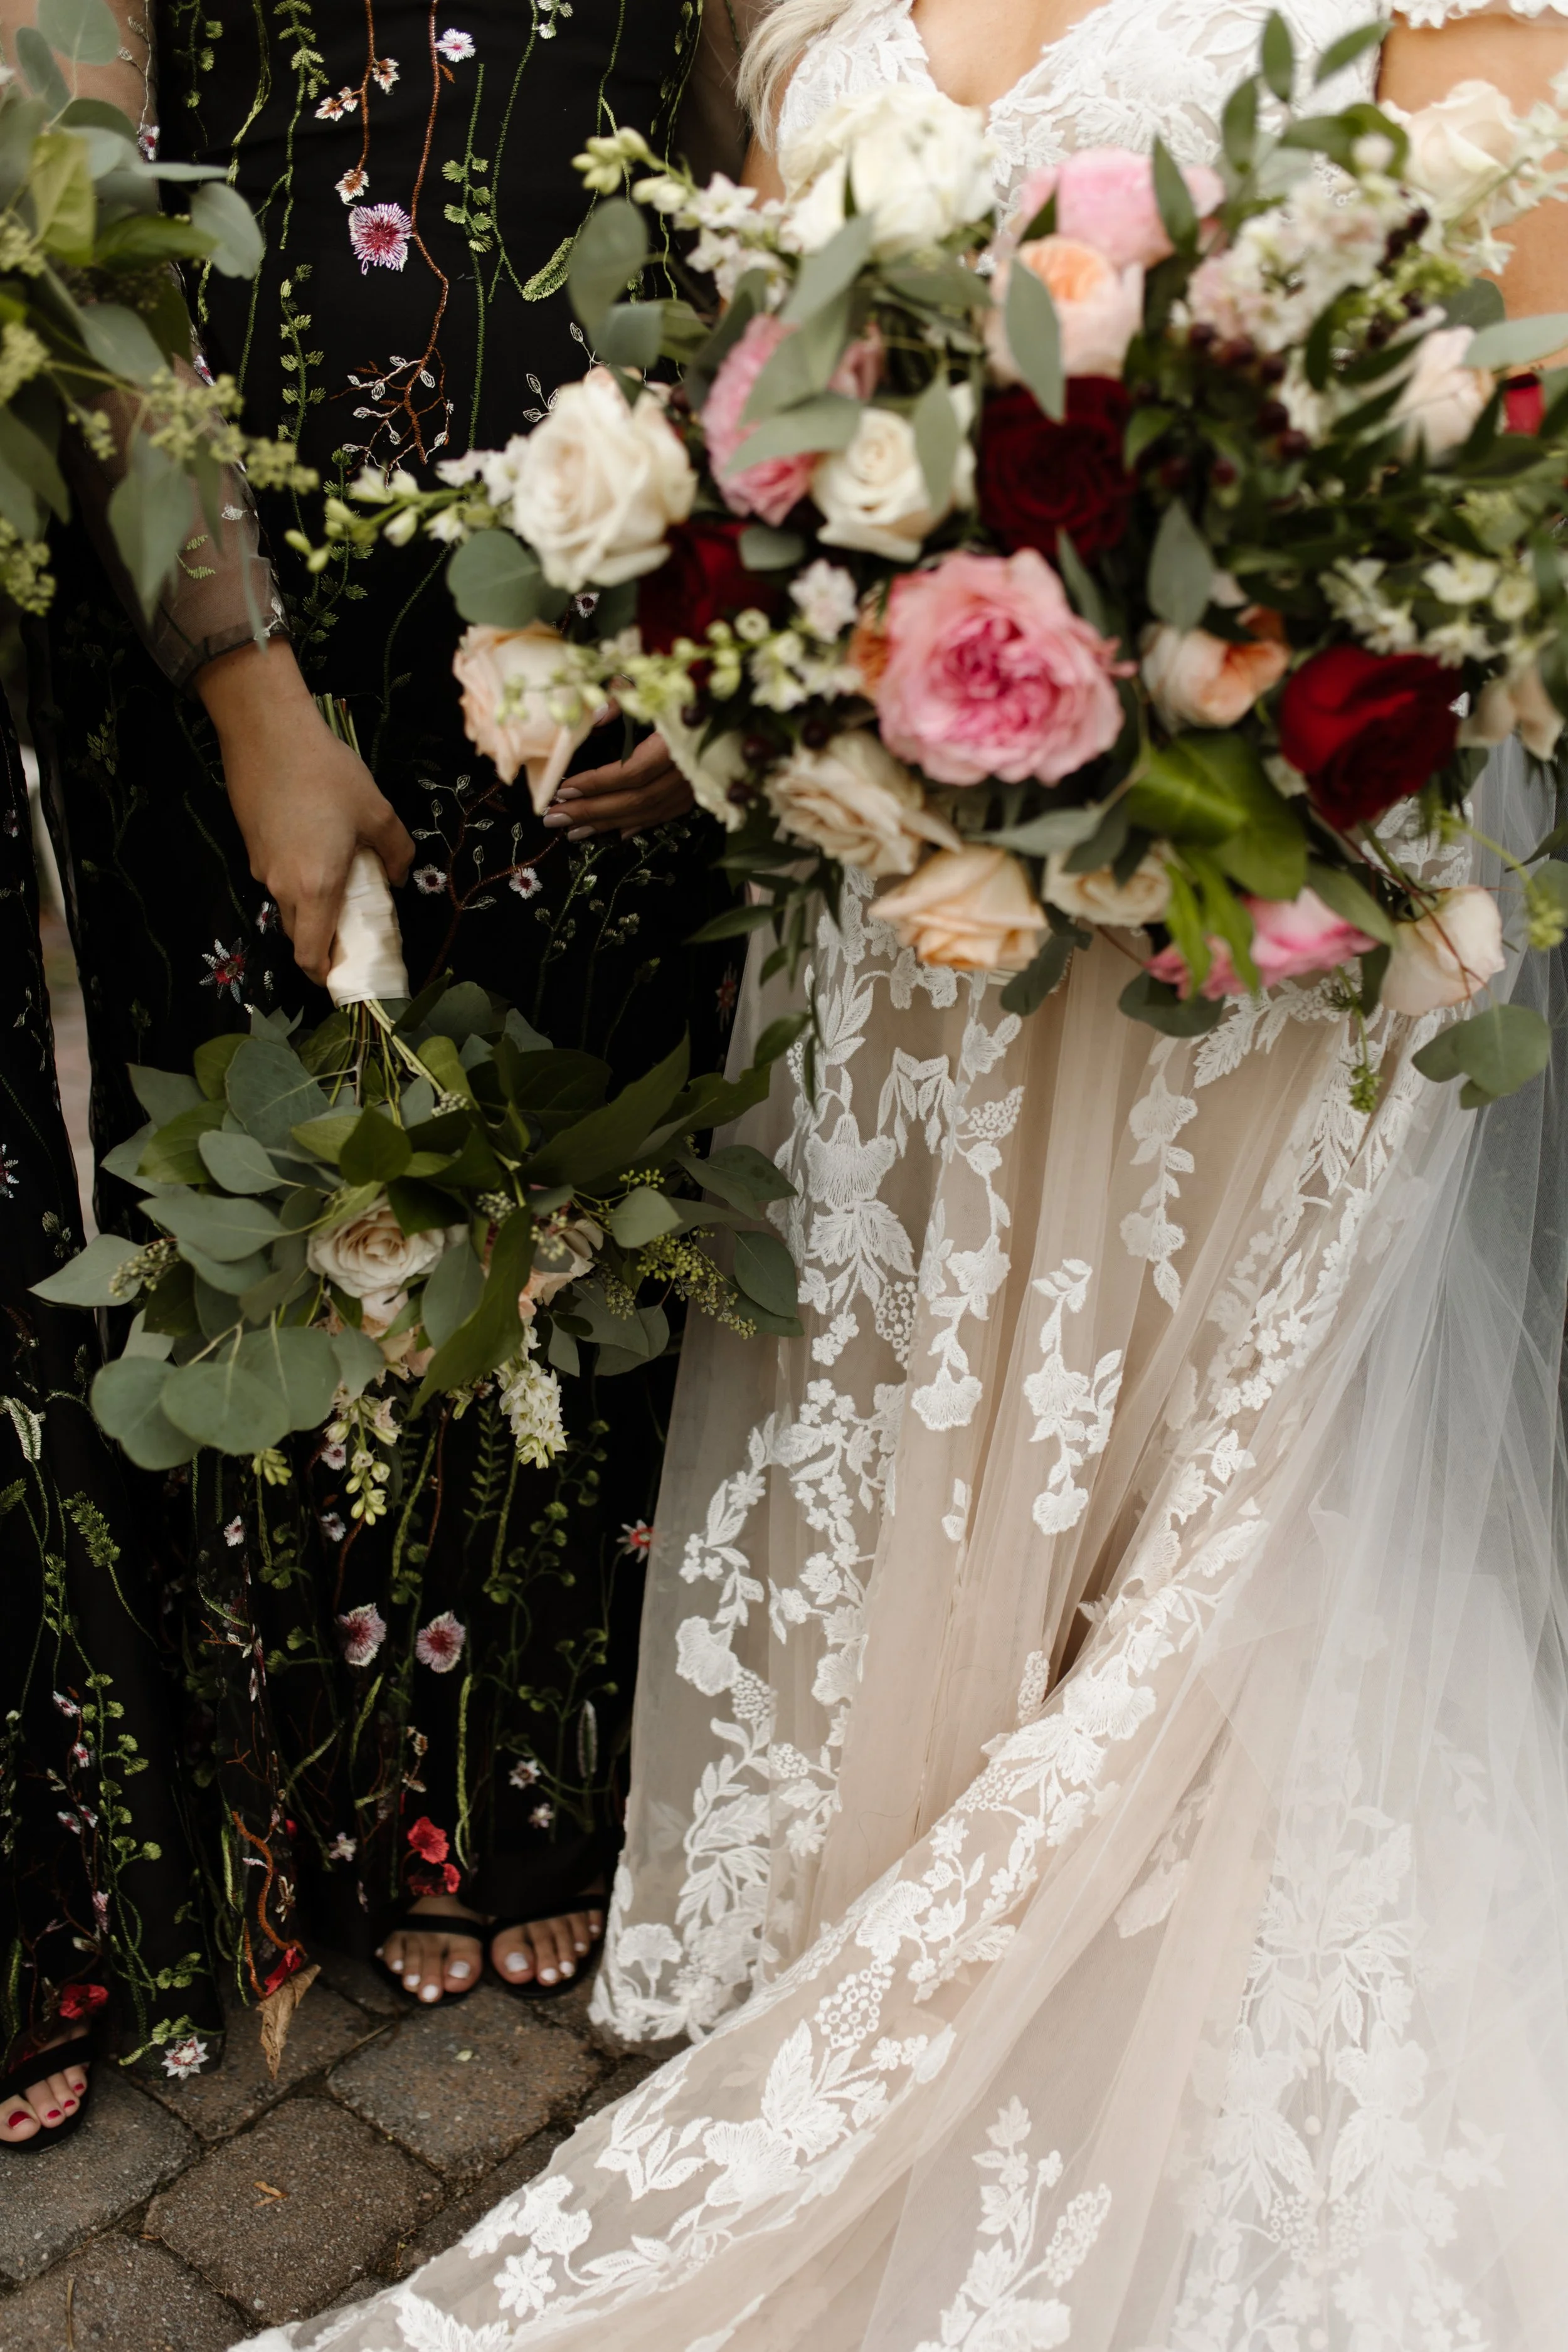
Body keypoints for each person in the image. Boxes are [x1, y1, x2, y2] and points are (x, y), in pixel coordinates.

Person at [226, 1, 1568, 2346]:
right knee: (910, 1375)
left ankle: (1107, 1951)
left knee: (1167, 1475)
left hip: (1201, 901)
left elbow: (1500, 505)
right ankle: (883, 1883)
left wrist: (1186, 698)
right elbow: (783, 407)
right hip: (893, 910)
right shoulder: (807, 14)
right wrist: (730, 664)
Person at [29, 0, 743, 2024]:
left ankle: (543, 1760)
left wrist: (739, 608)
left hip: (610, 596)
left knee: (577, 1187)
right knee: (292, 1173)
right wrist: (247, 687)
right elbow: (80, 217)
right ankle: (333, 1800)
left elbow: (771, 160)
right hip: (227, 615)